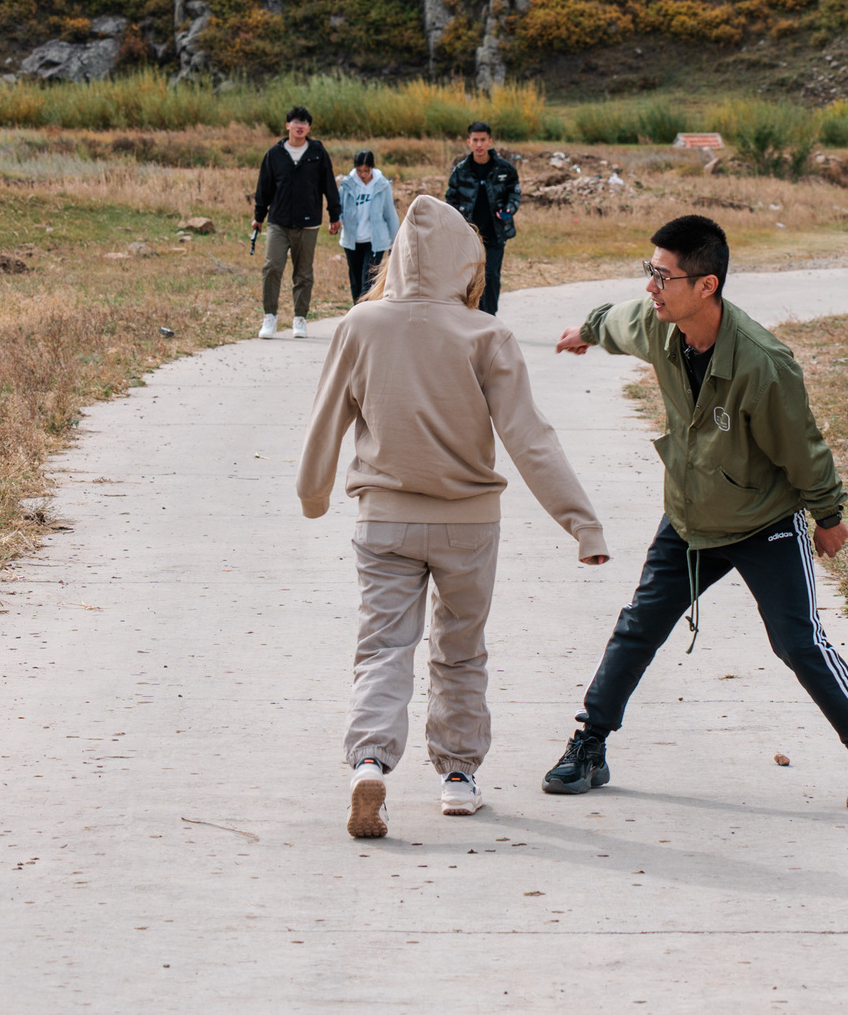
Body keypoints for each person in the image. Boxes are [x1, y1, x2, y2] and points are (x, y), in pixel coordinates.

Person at [543, 214, 848, 811]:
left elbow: (802, 446)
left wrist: (828, 514)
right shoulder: (658, 324)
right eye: (649, 272)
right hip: (689, 519)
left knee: (798, 642)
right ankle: (590, 745)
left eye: (663, 276)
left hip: (763, 521)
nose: (651, 287)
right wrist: (584, 330)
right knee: (639, 627)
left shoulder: (764, 363)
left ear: (705, 286)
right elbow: (614, 320)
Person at [300, 196, 610, 839]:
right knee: (460, 652)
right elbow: (531, 438)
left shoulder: (361, 325)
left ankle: (369, 763)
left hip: (383, 521)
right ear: (463, 264)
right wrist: (582, 524)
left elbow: (326, 417)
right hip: (469, 527)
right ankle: (458, 778)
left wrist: (313, 492)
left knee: (383, 649)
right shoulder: (486, 333)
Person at [252, 106, 343, 339]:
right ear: (287, 126)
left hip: (308, 222)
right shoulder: (275, 154)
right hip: (278, 221)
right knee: (272, 267)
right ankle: (269, 317)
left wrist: (335, 215)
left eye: (304, 122)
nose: (300, 126)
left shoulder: (317, 152)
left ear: (309, 128)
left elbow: (328, 186)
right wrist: (258, 217)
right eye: (295, 122)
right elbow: (264, 188)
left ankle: (300, 318)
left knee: (303, 273)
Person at [443, 121, 520, 314]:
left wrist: (509, 209)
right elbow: (450, 199)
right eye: (475, 140)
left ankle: (489, 317)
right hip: (468, 235)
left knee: (491, 276)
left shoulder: (505, 169)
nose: (479, 144)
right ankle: (470, 316)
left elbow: (514, 193)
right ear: (469, 142)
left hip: (495, 233)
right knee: (468, 278)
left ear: (490, 141)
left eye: (483, 140)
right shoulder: (461, 171)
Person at [336, 149, 399, 303]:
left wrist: (395, 240)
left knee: (368, 282)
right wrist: (335, 222)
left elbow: (390, 214)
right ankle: (356, 312)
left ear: (372, 168)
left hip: (374, 241)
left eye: (366, 170)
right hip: (352, 240)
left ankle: (364, 315)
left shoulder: (382, 185)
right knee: (356, 280)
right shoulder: (347, 185)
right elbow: (339, 208)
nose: (363, 174)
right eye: (359, 170)